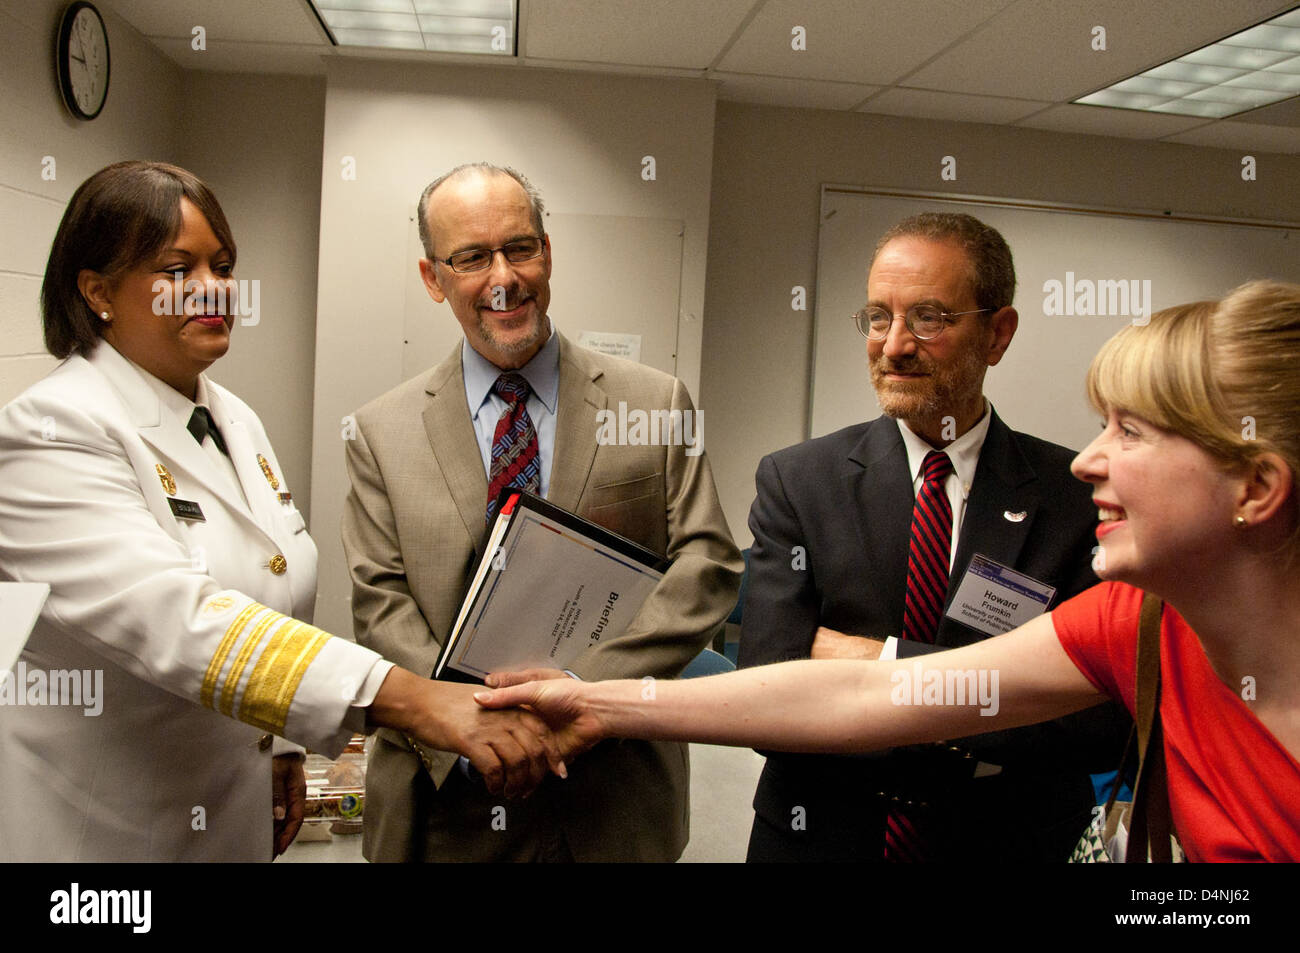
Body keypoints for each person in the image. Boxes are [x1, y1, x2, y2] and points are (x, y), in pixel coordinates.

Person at [479, 280, 1300, 863]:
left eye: (1133, 432)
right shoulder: (1140, 624)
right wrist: (593, 701)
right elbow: (868, 695)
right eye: (1101, 425)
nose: (1089, 461)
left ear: (1256, 487)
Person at [0, 161, 563, 863]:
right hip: (105, 838)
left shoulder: (228, 416)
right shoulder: (49, 431)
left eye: (223, 265)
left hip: (225, 814)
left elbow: (274, 579)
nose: (214, 289)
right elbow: (181, 620)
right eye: (178, 269)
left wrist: (285, 746)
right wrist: (416, 699)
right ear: (98, 291)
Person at [342, 162, 742, 862]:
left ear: (547, 252)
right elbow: (380, 604)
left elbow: (708, 563)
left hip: (612, 805)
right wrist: (470, 731)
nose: (504, 277)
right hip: (446, 809)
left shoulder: (653, 403)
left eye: (520, 248)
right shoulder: (382, 430)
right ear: (433, 278)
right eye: (471, 257)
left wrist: (587, 696)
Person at [737, 212, 1126, 862]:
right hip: (820, 836)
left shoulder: (1076, 495)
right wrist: (1000, 698)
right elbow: (769, 691)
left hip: (1007, 843)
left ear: (998, 333)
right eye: (878, 317)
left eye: (928, 318)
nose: (894, 344)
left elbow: (1097, 720)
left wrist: (874, 662)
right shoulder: (799, 481)